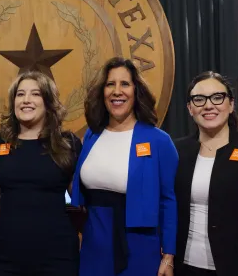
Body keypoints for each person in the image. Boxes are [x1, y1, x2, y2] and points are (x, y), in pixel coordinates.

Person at [71, 57, 178, 276]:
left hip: (139, 247)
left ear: (136, 91)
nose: (116, 91)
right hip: (94, 243)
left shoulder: (159, 141)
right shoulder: (92, 135)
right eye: (110, 84)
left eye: (125, 84)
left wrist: (168, 256)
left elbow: (168, 200)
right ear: (102, 92)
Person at [0, 71, 83, 276]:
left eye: (35, 94)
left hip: (57, 255)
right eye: (20, 94)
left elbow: (81, 199)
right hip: (5, 255)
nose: (26, 100)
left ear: (48, 102)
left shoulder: (67, 144)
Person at [174, 71, 238, 276]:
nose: (209, 105)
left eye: (217, 97)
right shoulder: (176, 151)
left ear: (231, 104)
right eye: (199, 99)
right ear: (190, 108)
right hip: (185, 267)